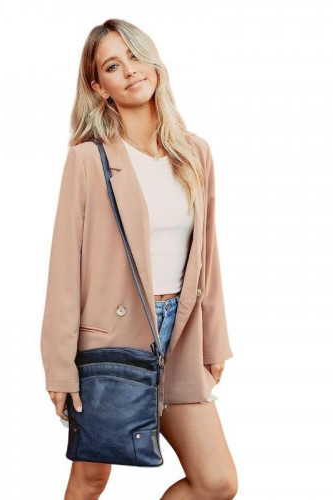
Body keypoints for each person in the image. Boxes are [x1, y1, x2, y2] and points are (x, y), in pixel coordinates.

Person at [40, 18, 238, 500]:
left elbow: (208, 257)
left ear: (154, 63)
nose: (129, 70)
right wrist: (59, 366)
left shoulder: (195, 153)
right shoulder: (89, 159)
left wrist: (214, 342)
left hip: (180, 335)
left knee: (216, 483)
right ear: (98, 87)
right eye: (112, 66)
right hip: (112, 340)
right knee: (90, 481)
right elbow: (65, 269)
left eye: (134, 56)